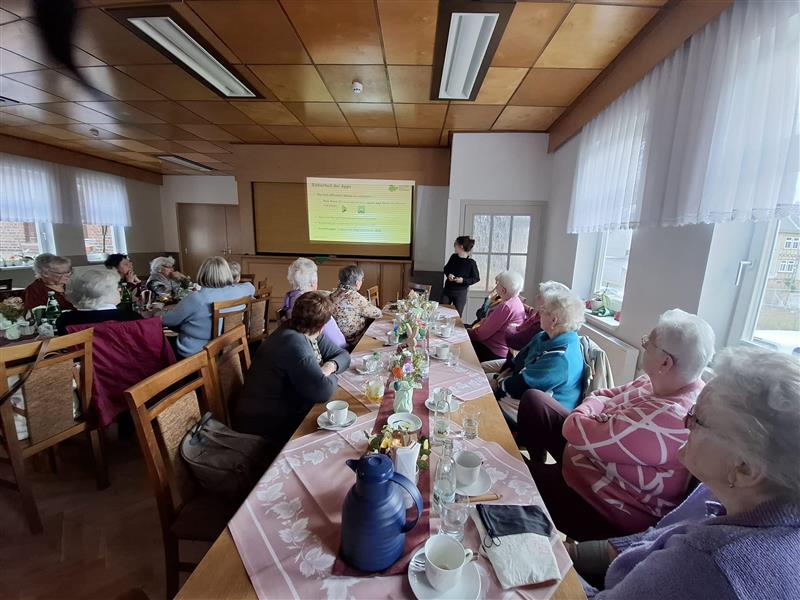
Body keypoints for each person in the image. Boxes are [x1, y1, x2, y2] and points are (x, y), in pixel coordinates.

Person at [571, 347, 800, 600]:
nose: (684, 422)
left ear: (745, 468)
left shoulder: (706, 563)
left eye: (697, 419)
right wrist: (571, 554)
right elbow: (659, 537)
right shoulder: (732, 493)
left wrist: (551, 561)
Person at [524, 309, 715, 540]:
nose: (644, 345)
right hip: (589, 457)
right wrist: (598, 408)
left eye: (649, 343)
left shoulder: (671, 418)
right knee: (535, 401)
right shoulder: (657, 380)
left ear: (665, 362)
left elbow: (573, 428)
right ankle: (540, 464)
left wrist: (596, 409)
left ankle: (534, 504)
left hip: (601, 503)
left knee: (511, 470)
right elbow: (602, 393)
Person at [234, 292, 351, 455]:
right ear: (323, 326)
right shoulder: (294, 343)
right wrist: (328, 375)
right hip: (264, 423)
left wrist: (329, 367)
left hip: (285, 407)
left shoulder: (304, 330)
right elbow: (323, 391)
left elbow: (343, 356)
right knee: (335, 440)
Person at [492, 286, 585, 423]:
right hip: (522, 391)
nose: (539, 313)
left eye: (543, 311)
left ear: (554, 320)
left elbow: (523, 386)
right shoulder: (543, 336)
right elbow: (518, 361)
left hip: (543, 412)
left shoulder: (561, 358)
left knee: (484, 407)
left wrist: (497, 385)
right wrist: (499, 379)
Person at [161, 257, 254, 358]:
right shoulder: (241, 291)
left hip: (197, 352)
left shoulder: (197, 298)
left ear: (202, 273)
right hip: (230, 346)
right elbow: (250, 287)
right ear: (228, 273)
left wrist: (156, 312)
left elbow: (169, 320)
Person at [481, 280, 570, 375]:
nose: (537, 297)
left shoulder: (540, 326)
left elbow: (514, 342)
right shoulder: (538, 316)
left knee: (479, 374)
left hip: (516, 366)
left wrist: (511, 328)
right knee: (480, 368)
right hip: (512, 361)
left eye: (540, 295)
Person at [281, 257, 346, 348]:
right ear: (313, 283)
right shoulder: (311, 304)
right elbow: (332, 336)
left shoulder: (290, 297)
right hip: (331, 349)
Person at [55, 268, 142, 336]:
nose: (119, 289)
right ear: (106, 294)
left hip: (81, 359)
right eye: (116, 287)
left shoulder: (65, 319)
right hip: (123, 358)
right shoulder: (130, 317)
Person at [467, 271, 525, 362]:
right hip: (497, 348)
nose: (495, 287)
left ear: (503, 290)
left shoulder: (506, 306)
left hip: (493, 351)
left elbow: (482, 334)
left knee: (460, 346)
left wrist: (467, 333)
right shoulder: (515, 301)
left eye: (497, 284)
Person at [330, 265, 382, 347]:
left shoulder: (331, 295)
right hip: (355, 340)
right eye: (362, 279)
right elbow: (378, 313)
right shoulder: (355, 297)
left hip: (336, 341)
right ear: (357, 283)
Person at [440, 236, 480, 316]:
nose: (454, 246)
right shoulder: (453, 257)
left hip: (460, 293)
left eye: (455, 244)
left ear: (461, 246)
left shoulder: (471, 263)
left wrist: (463, 280)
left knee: (456, 316)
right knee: (441, 312)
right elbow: (446, 269)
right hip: (447, 290)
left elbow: (476, 278)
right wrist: (449, 275)